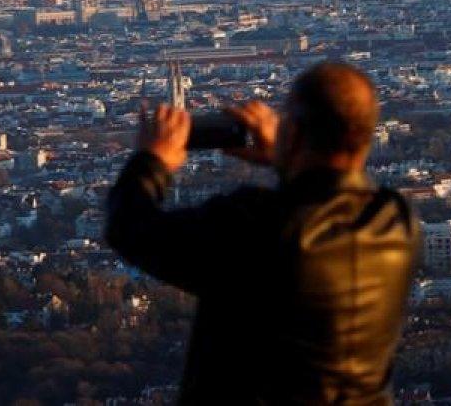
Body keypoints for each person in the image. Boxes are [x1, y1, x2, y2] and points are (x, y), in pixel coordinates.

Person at [106, 61, 419, 404]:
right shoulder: (396, 222)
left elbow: (130, 228)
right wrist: (289, 158)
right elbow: (331, 196)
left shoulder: (254, 227)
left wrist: (152, 160)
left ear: (296, 133)